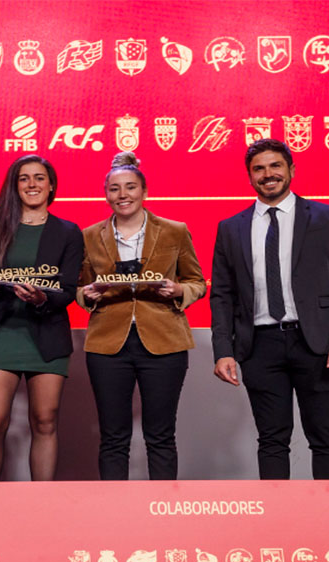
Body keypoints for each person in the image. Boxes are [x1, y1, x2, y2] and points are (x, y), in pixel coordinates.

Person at [211, 138, 329, 479]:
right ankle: (276, 529)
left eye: (275, 166)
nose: (268, 174)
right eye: (259, 169)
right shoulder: (231, 228)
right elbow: (222, 294)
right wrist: (223, 350)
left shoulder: (328, 217)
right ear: (250, 177)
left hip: (318, 344)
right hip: (259, 347)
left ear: (291, 170)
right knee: (271, 441)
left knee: (324, 438)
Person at [77, 152, 207, 480]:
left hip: (164, 340)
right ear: (105, 193)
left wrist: (179, 292)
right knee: (113, 437)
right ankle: (114, 515)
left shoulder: (175, 231)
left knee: (160, 436)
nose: (123, 195)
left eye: (130, 187)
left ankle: (161, 514)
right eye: (115, 189)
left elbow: (196, 281)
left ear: (144, 191)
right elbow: (78, 288)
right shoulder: (90, 235)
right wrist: (87, 295)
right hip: (108, 344)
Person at [0, 154, 83, 481]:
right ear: (14, 186)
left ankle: (41, 506)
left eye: (39, 178)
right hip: (0, 333)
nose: (32, 184)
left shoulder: (68, 232)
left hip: (46, 333)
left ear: (51, 186)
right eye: (24, 178)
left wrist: (42, 297)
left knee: (45, 421)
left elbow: (69, 289)